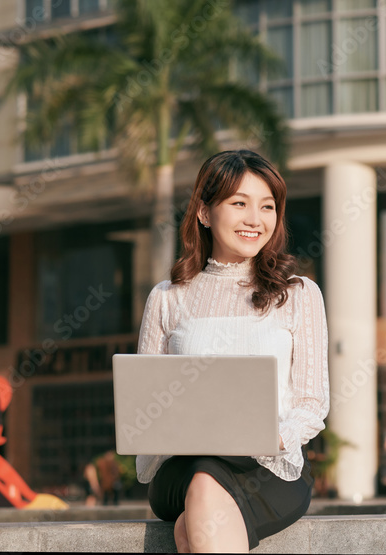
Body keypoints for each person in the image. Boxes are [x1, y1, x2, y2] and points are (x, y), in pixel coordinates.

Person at [135, 149, 330, 553]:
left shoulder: (298, 294)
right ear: (205, 212)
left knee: (192, 530)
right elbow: (147, 402)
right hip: (183, 466)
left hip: (268, 467)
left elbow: (313, 401)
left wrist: (279, 436)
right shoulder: (167, 298)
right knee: (204, 477)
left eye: (267, 206)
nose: (255, 220)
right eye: (239, 203)